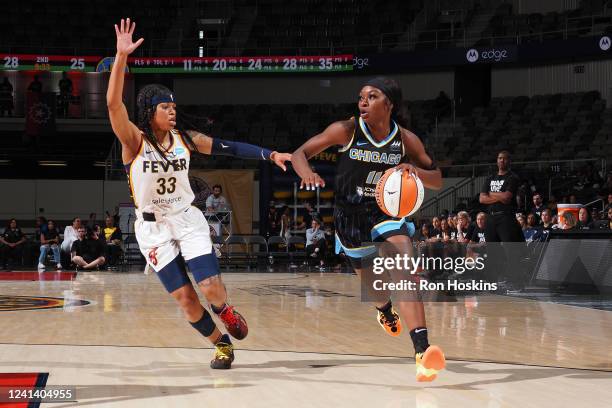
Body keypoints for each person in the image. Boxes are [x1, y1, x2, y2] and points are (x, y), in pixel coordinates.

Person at [106, 18, 291, 369]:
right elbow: (114, 104)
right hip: (152, 229)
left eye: (174, 105)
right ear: (149, 112)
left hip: (186, 219)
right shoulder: (134, 142)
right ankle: (220, 344)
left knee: (209, 288)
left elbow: (230, 148)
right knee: (186, 299)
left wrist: (270, 154)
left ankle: (225, 310)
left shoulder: (185, 139)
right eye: (165, 106)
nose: (172, 110)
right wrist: (121, 57)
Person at [291, 76, 445, 381]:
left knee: (404, 264)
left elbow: (437, 177)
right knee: (375, 289)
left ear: (389, 104)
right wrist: (307, 172)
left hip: (386, 211)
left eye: (371, 96)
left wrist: (415, 171)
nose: (363, 101)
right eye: (361, 96)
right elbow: (299, 154)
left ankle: (422, 352)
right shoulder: (346, 130)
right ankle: (385, 310)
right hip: (349, 217)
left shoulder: (406, 140)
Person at [479, 151, 525, 288]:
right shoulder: (490, 177)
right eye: (500, 158)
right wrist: (499, 195)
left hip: (506, 216)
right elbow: (482, 198)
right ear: (497, 160)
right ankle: (493, 281)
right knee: (492, 251)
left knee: (511, 250)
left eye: (505, 159)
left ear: (509, 161)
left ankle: (515, 281)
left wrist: (491, 194)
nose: (502, 161)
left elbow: (507, 198)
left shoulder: (512, 177)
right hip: (491, 217)